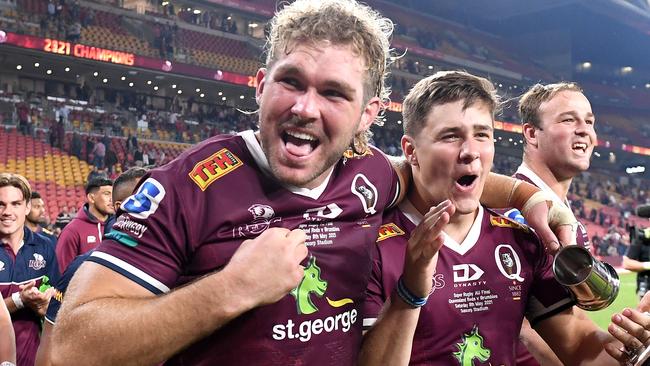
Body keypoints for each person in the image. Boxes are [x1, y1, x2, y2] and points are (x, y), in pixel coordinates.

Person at [50, 2, 572, 365]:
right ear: (261, 85)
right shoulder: (189, 186)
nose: (305, 107)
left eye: (334, 94)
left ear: (367, 114)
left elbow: (445, 177)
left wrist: (531, 197)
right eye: (291, 82)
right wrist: (231, 290)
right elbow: (71, 350)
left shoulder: (369, 174)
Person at [358, 71, 632, 365]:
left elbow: (579, 347)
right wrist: (409, 292)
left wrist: (634, 349)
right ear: (411, 151)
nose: (470, 152)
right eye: (451, 136)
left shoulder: (521, 240)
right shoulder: (371, 245)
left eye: (482, 135)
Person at [512, 82, 597, 365]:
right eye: (568, 119)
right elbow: (519, 327)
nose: (584, 129)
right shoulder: (517, 216)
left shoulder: (566, 219)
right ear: (532, 133)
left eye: (589, 120)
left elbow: (569, 321)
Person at [35, 167, 147, 366]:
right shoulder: (79, 254)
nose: (157, 203)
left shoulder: (171, 261)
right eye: (146, 194)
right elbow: (50, 348)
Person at [0, 173, 59, 366]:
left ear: (27, 207)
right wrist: (20, 300)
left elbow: (59, 299)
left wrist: (46, 306)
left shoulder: (46, 246)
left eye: (15, 204)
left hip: (32, 359)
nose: (7, 211)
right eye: (1, 204)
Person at [55, 178, 114, 272]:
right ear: (91, 198)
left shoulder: (119, 226)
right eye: (107, 194)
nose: (112, 199)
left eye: (113, 194)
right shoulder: (72, 230)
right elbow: (62, 271)